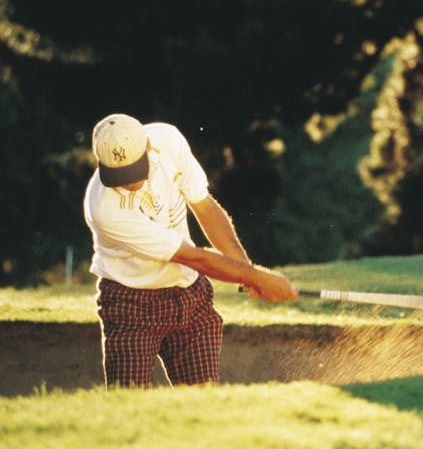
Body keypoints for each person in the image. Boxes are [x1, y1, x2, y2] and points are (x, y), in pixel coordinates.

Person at [83, 113, 298, 388]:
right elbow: (193, 257)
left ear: (148, 147)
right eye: (120, 176)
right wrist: (258, 277)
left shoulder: (168, 141)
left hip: (189, 295)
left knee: (202, 399)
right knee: (129, 402)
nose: (130, 183)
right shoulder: (105, 210)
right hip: (130, 304)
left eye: (135, 171)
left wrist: (246, 273)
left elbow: (205, 207)